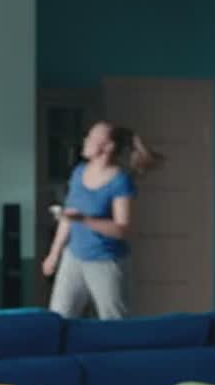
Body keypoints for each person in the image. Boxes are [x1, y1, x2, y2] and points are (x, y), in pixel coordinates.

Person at [41, 121, 162, 320]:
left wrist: (84, 220)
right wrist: (54, 254)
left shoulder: (120, 181)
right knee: (58, 320)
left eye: (92, 138)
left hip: (105, 261)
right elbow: (68, 218)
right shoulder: (79, 172)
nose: (86, 141)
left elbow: (122, 229)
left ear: (108, 147)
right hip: (73, 258)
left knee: (113, 320)